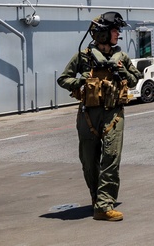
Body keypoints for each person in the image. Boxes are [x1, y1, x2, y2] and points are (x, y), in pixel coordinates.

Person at [57, 11, 142, 221]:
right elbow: (63, 79)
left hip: (113, 114)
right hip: (88, 115)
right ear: (103, 34)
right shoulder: (83, 57)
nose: (118, 34)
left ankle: (104, 205)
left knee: (111, 158)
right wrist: (81, 81)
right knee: (89, 160)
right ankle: (97, 198)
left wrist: (122, 72)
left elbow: (135, 79)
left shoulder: (121, 57)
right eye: (115, 31)